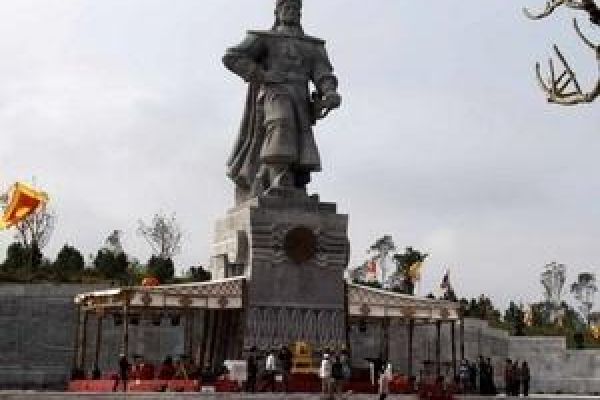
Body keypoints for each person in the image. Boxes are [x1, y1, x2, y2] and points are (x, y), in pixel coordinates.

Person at [223, 0, 342, 202]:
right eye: (287, 8)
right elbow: (232, 57)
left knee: (300, 138)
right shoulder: (264, 39)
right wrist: (261, 74)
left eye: (296, 9)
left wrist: (329, 92)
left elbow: (323, 73)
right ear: (277, 12)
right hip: (274, 92)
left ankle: (293, 183)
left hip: (300, 96)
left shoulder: (312, 46)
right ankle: (277, 176)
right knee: (280, 122)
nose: (292, 12)